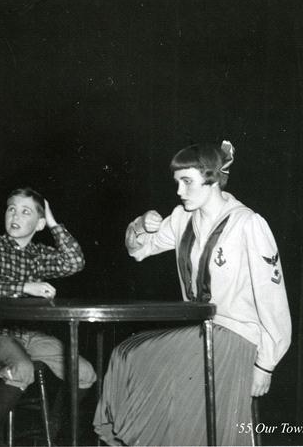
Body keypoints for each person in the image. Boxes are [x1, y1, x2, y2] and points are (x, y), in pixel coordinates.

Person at [94, 141, 292, 446]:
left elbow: (273, 300)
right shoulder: (183, 218)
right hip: (200, 333)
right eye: (177, 182)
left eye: (187, 182)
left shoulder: (248, 224)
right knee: (125, 354)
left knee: (135, 357)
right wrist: (141, 224)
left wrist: (266, 364)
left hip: (237, 336)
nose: (179, 191)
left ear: (212, 179)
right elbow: (138, 251)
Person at [0, 187, 97, 445]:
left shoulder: (39, 254)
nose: (15, 216)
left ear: (38, 223)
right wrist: (26, 287)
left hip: (30, 336)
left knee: (85, 373)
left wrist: (52, 222)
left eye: (25, 211)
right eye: (11, 209)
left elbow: (75, 262)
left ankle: (51, 433)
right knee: (22, 369)